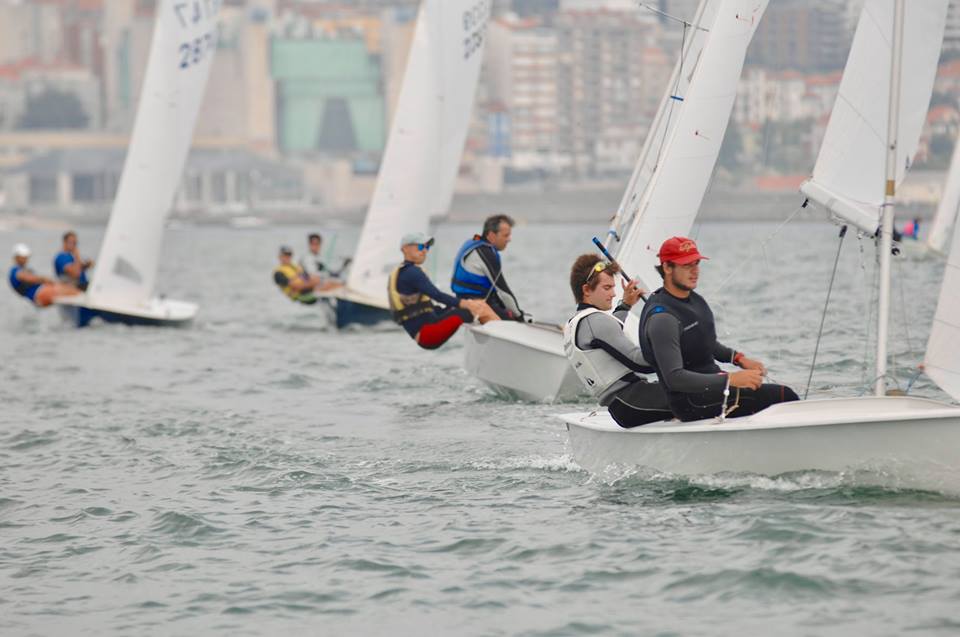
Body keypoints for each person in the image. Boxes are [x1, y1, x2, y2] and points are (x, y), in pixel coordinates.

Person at [638, 236, 799, 422]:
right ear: (667, 267)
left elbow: (703, 342)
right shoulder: (662, 318)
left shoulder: (694, 301)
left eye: (696, 263)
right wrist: (731, 379)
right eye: (686, 265)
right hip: (691, 402)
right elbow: (675, 378)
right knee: (784, 395)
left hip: (715, 388)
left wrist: (739, 359)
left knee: (770, 391)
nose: (695, 271)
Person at [563, 254, 673, 427]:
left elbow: (609, 334)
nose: (614, 294)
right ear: (586, 290)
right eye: (607, 288)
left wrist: (625, 305)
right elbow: (640, 363)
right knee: (705, 393)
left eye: (613, 287)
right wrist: (675, 349)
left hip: (623, 405)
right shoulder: (596, 321)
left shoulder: (576, 323)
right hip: (633, 401)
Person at [389, 232, 498, 349]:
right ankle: (501, 339)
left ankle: (497, 335)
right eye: (420, 247)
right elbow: (437, 296)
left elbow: (427, 309)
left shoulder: (404, 272)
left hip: (428, 329)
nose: (425, 251)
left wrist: (459, 306)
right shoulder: (411, 272)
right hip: (427, 334)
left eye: (427, 247)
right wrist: (466, 304)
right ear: (405, 249)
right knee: (478, 308)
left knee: (475, 304)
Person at [451, 214, 526, 320]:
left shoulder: (473, 243)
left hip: (463, 301)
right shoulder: (486, 253)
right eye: (506, 235)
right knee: (514, 318)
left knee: (508, 311)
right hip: (476, 305)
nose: (509, 239)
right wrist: (519, 315)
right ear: (491, 235)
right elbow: (504, 291)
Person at [8, 243, 81, 307]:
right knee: (62, 288)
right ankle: (81, 297)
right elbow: (31, 278)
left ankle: (78, 296)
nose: (26, 259)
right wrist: (47, 280)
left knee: (65, 287)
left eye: (26, 257)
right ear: (17, 257)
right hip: (38, 294)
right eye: (23, 257)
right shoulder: (15, 271)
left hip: (38, 294)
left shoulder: (21, 269)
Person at [273, 246, 340, 304]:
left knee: (333, 283)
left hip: (311, 288)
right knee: (328, 285)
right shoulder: (278, 273)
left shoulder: (295, 267)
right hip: (301, 296)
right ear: (280, 257)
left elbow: (307, 276)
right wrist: (314, 282)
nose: (287, 257)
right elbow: (295, 286)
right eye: (285, 255)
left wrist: (316, 279)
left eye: (289, 255)